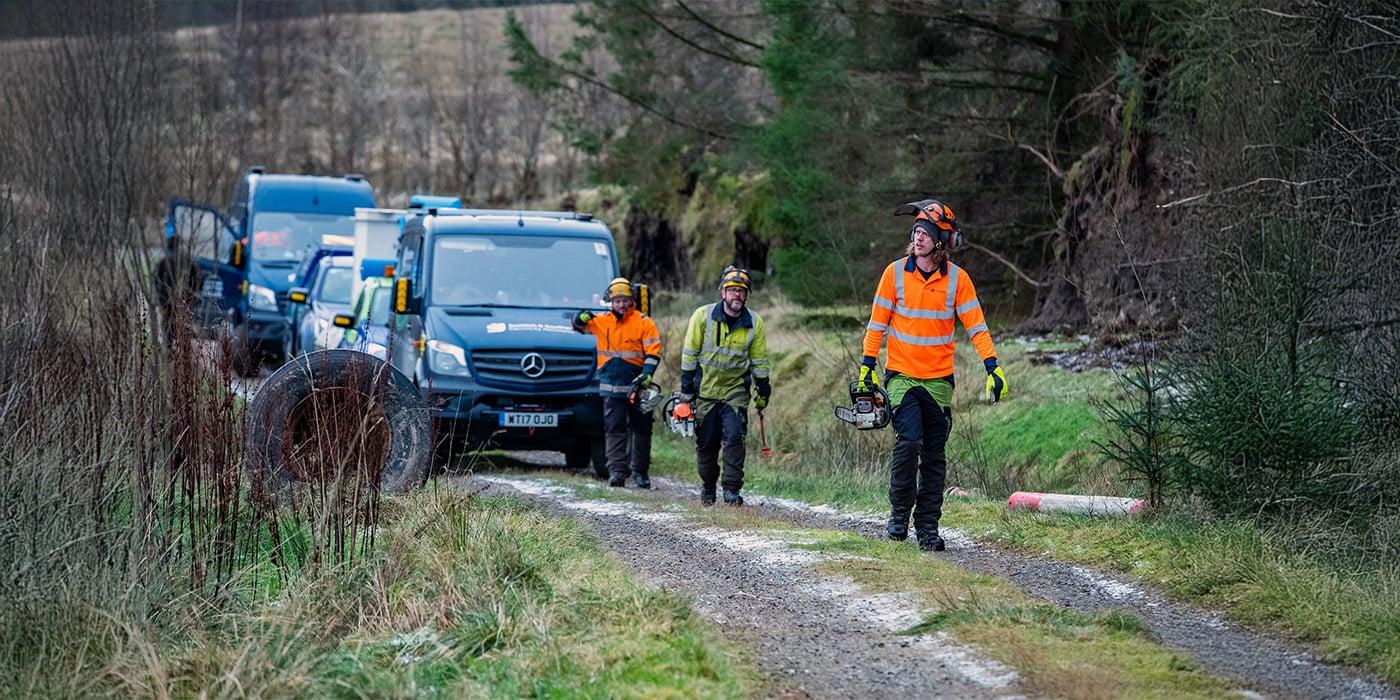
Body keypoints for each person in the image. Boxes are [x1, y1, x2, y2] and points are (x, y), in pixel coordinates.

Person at [859, 199, 1008, 552]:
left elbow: (978, 329)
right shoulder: (894, 274)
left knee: (934, 453)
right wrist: (866, 368)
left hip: (939, 381)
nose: (919, 238)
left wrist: (993, 367)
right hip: (901, 377)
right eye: (916, 232)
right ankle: (898, 515)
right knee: (909, 441)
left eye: (926, 232)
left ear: (943, 240)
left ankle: (927, 527)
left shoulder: (958, 281)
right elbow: (877, 325)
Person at [678, 266, 771, 506]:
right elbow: (689, 355)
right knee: (706, 444)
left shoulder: (754, 322)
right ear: (722, 293)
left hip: (735, 393)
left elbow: (759, 360)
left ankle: (731, 490)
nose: (736, 295)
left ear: (747, 295)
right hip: (704, 392)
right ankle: (708, 485)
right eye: (732, 290)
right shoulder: (702, 316)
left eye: (741, 291)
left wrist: (764, 388)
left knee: (734, 439)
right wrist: (686, 391)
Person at [573, 278, 662, 488]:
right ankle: (616, 472)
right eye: (617, 301)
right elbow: (578, 327)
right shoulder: (601, 321)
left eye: (625, 300)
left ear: (632, 301)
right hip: (610, 389)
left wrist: (648, 373)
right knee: (614, 429)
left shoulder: (643, 322)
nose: (621, 304)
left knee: (642, 430)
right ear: (610, 302)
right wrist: (579, 317)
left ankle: (640, 472)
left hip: (638, 387)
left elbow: (653, 351)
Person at [154, 234, 202, 350]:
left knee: (166, 324)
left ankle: (168, 350)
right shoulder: (188, 260)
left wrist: (160, 297)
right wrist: (195, 294)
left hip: (166, 301)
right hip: (184, 301)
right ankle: (185, 352)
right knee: (183, 323)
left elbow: (155, 279)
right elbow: (199, 276)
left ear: (169, 246)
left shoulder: (163, 262)